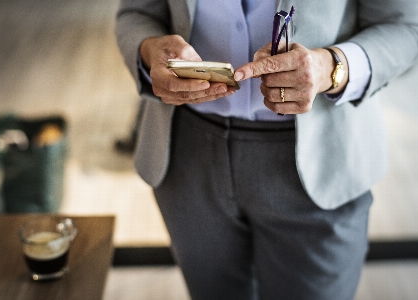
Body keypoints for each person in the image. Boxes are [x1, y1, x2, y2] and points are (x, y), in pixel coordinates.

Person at [115, 1, 418, 299]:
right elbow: (136, 14)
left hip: (321, 160)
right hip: (188, 156)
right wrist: (149, 50)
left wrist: (329, 67)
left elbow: (406, 28)